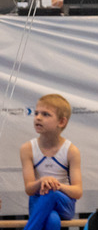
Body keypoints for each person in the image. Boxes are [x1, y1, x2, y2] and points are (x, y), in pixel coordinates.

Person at [20, 94, 82, 230]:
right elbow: (29, 189)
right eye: (36, 113)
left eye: (46, 114)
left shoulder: (71, 151)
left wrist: (56, 185)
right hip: (37, 202)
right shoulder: (27, 149)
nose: (38, 117)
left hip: (64, 203)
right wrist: (42, 181)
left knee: (51, 192)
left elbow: (78, 191)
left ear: (61, 122)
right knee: (52, 220)